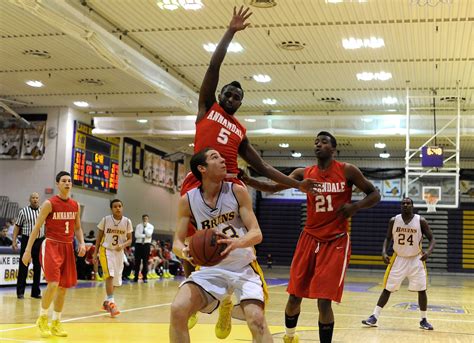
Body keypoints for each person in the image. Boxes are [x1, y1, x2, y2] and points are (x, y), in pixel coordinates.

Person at [181, 6, 318, 336]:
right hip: (199, 182)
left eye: (237, 96)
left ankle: (231, 299)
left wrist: (296, 185)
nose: (231, 96)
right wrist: (230, 31)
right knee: (190, 245)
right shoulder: (206, 108)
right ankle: (194, 292)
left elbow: (263, 168)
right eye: (228, 92)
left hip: (228, 188)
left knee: (236, 248)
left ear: (241, 103)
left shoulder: (240, 131)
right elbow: (214, 66)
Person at [242, 131, 381, 343]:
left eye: (324, 142)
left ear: (333, 149)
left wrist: (355, 207)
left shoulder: (347, 170)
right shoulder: (303, 173)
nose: (318, 144)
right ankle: (289, 337)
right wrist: (247, 179)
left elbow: (374, 194)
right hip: (309, 238)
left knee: (324, 301)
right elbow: (271, 187)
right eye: (316, 141)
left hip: (335, 241)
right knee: (294, 296)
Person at [170, 148, 272, 343]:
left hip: (243, 267)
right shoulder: (188, 200)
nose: (223, 160)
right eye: (215, 157)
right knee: (178, 309)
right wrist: (184, 251)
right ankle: (224, 302)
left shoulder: (237, 191)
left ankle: (226, 303)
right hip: (211, 268)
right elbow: (176, 242)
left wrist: (238, 242)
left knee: (257, 320)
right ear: (202, 168)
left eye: (221, 156)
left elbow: (256, 233)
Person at [22, 171, 86, 338]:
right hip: (51, 244)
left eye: (69, 181)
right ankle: (42, 318)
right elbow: (36, 228)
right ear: (57, 184)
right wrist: (28, 250)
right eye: (64, 181)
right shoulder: (49, 203)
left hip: (67, 246)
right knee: (53, 284)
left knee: (63, 288)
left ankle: (56, 322)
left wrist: (82, 243)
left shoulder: (75, 205)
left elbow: (77, 227)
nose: (67, 183)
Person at [362, 197, 436, 330]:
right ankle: (374, 316)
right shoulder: (394, 220)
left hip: (416, 259)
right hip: (398, 259)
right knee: (387, 288)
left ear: (412, 206)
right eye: (403, 203)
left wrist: (428, 253)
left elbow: (432, 239)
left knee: (422, 289)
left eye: (408, 203)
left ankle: (423, 319)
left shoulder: (421, 221)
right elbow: (388, 238)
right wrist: (384, 252)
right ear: (401, 206)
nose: (406, 205)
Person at [93, 199, 133, 317]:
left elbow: (130, 239)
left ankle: (106, 301)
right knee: (109, 275)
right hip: (106, 250)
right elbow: (99, 237)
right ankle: (112, 303)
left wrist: (123, 245)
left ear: (122, 207)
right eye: (115, 206)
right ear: (111, 208)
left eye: (120, 206)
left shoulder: (127, 222)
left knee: (115, 279)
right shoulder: (105, 220)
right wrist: (95, 253)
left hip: (119, 252)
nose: (118, 208)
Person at [13, 192, 45, 299]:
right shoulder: (23, 211)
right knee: (23, 266)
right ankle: (20, 292)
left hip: (39, 240)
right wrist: (14, 241)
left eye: (37, 198)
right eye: (33, 198)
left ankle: (35, 292)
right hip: (26, 240)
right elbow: (17, 227)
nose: (35, 199)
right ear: (29, 199)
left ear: (39, 199)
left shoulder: (43, 211)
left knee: (38, 266)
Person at [133, 214, 154, 283]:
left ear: (148, 219)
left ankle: (145, 277)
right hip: (138, 245)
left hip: (146, 245)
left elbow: (149, 234)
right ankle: (135, 277)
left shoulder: (151, 226)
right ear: (142, 219)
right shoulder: (139, 226)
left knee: (145, 262)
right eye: (144, 218)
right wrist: (145, 236)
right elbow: (136, 235)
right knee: (137, 262)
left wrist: (145, 228)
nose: (145, 219)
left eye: (146, 218)